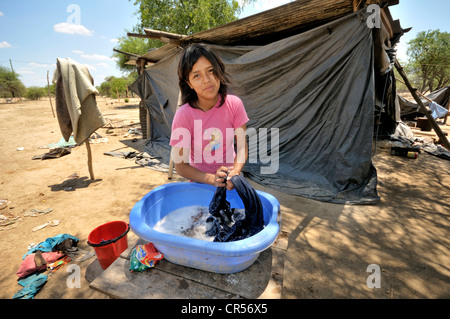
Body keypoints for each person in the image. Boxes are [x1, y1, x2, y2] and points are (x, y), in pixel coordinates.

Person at [170, 43, 249, 191]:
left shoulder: (234, 104)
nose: (206, 79)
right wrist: (213, 179)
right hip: (200, 184)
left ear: (219, 71)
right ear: (189, 83)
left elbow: (242, 147)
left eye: (211, 71)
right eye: (197, 75)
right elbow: (180, 167)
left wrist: (235, 172)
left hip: (232, 181)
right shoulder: (184, 115)